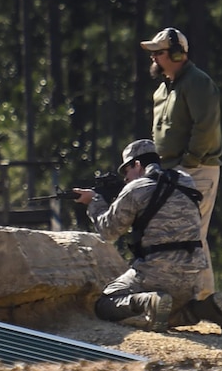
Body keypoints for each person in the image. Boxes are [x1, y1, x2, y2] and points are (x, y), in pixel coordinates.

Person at [140, 26, 222, 336]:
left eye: (160, 52)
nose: (154, 57)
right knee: (180, 236)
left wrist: (188, 163)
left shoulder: (198, 83)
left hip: (195, 172)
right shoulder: (163, 89)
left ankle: (207, 301)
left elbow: (206, 128)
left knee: (193, 235)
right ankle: (194, 301)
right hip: (173, 173)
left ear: (178, 55)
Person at [74, 138, 208, 331]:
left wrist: (95, 201)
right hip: (193, 279)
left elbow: (108, 231)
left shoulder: (135, 189)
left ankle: (147, 302)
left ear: (137, 164)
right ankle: (203, 308)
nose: (125, 179)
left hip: (155, 276)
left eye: (127, 171)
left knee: (105, 303)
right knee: (169, 308)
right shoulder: (186, 180)